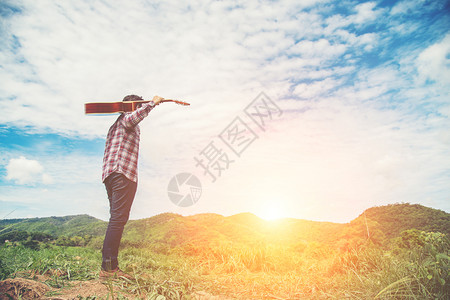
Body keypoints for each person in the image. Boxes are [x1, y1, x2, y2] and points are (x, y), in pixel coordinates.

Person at [99, 94, 163, 279]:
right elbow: (132, 118)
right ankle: (109, 269)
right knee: (118, 220)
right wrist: (153, 104)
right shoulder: (127, 119)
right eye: (137, 105)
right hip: (122, 173)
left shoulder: (115, 125)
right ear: (131, 106)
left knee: (116, 220)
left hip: (110, 175)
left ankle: (110, 266)